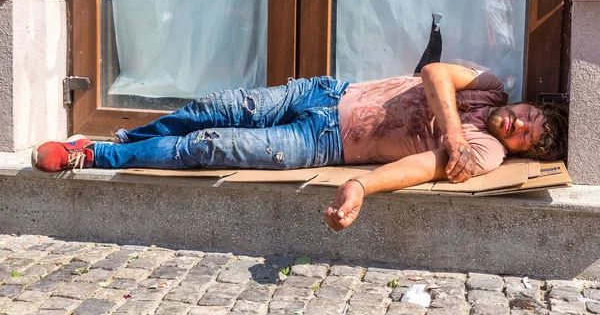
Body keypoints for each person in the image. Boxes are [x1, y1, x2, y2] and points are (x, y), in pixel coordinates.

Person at [31, 63, 568, 232]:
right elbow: (433, 73)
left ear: (525, 150)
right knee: (210, 108)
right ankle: (123, 138)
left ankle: (92, 155)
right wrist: (451, 126)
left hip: (327, 141)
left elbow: (421, 166)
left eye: (528, 134)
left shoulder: (487, 154)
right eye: (529, 115)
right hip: (329, 90)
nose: (519, 122)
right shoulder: (491, 85)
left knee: (210, 146)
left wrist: (360, 185)